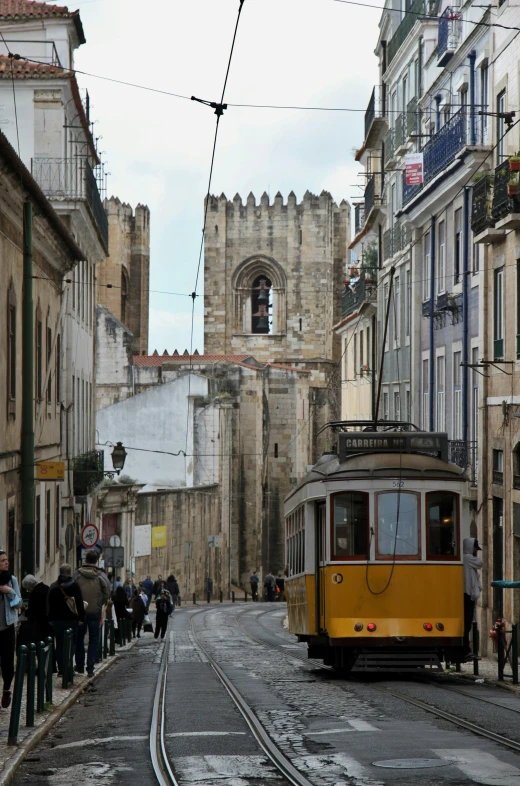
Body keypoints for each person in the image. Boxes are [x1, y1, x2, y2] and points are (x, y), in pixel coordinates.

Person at [74, 550, 110, 677]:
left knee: (79, 638)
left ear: (85, 560)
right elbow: (107, 592)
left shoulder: (77, 574)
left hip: (81, 611)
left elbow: (72, 589)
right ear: (96, 561)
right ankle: (90, 667)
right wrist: (102, 604)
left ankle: (79, 666)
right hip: (95, 611)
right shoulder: (101, 575)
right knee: (94, 639)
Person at [47, 564, 85, 677]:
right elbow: (79, 602)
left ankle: (61, 669)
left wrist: (49, 618)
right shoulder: (75, 586)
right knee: (72, 643)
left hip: (57, 620)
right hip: (72, 619)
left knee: (59, 644)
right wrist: (81, 618)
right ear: (69, 572)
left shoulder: (54, 586)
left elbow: (48, 604)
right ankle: (68, 666)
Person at [0, 551, 22, 708]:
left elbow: (19, 603)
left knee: (8, 664)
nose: (6, 562)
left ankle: (7, 688)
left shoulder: (12, 580)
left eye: (7, 560)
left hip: (7, 627)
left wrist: (10, 592)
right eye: (2, 560)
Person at [21, 574, 53, 648]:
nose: (27, 590)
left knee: (41, 644)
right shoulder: (46, 588)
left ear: (29, 586)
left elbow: (32, 609)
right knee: (49, 643)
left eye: (27, 588)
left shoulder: (34, 593)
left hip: (40, 623)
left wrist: (25, 613)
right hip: (49, 621)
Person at [463, 537, 483, 658]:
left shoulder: (466, 558)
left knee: (467, 622)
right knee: (467, 622)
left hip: (467, 593)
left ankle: (466, 648)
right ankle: (465, 649)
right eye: (475, 548)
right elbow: (480, 563)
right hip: (467, 594)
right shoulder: (467, 558)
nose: (476, 550)